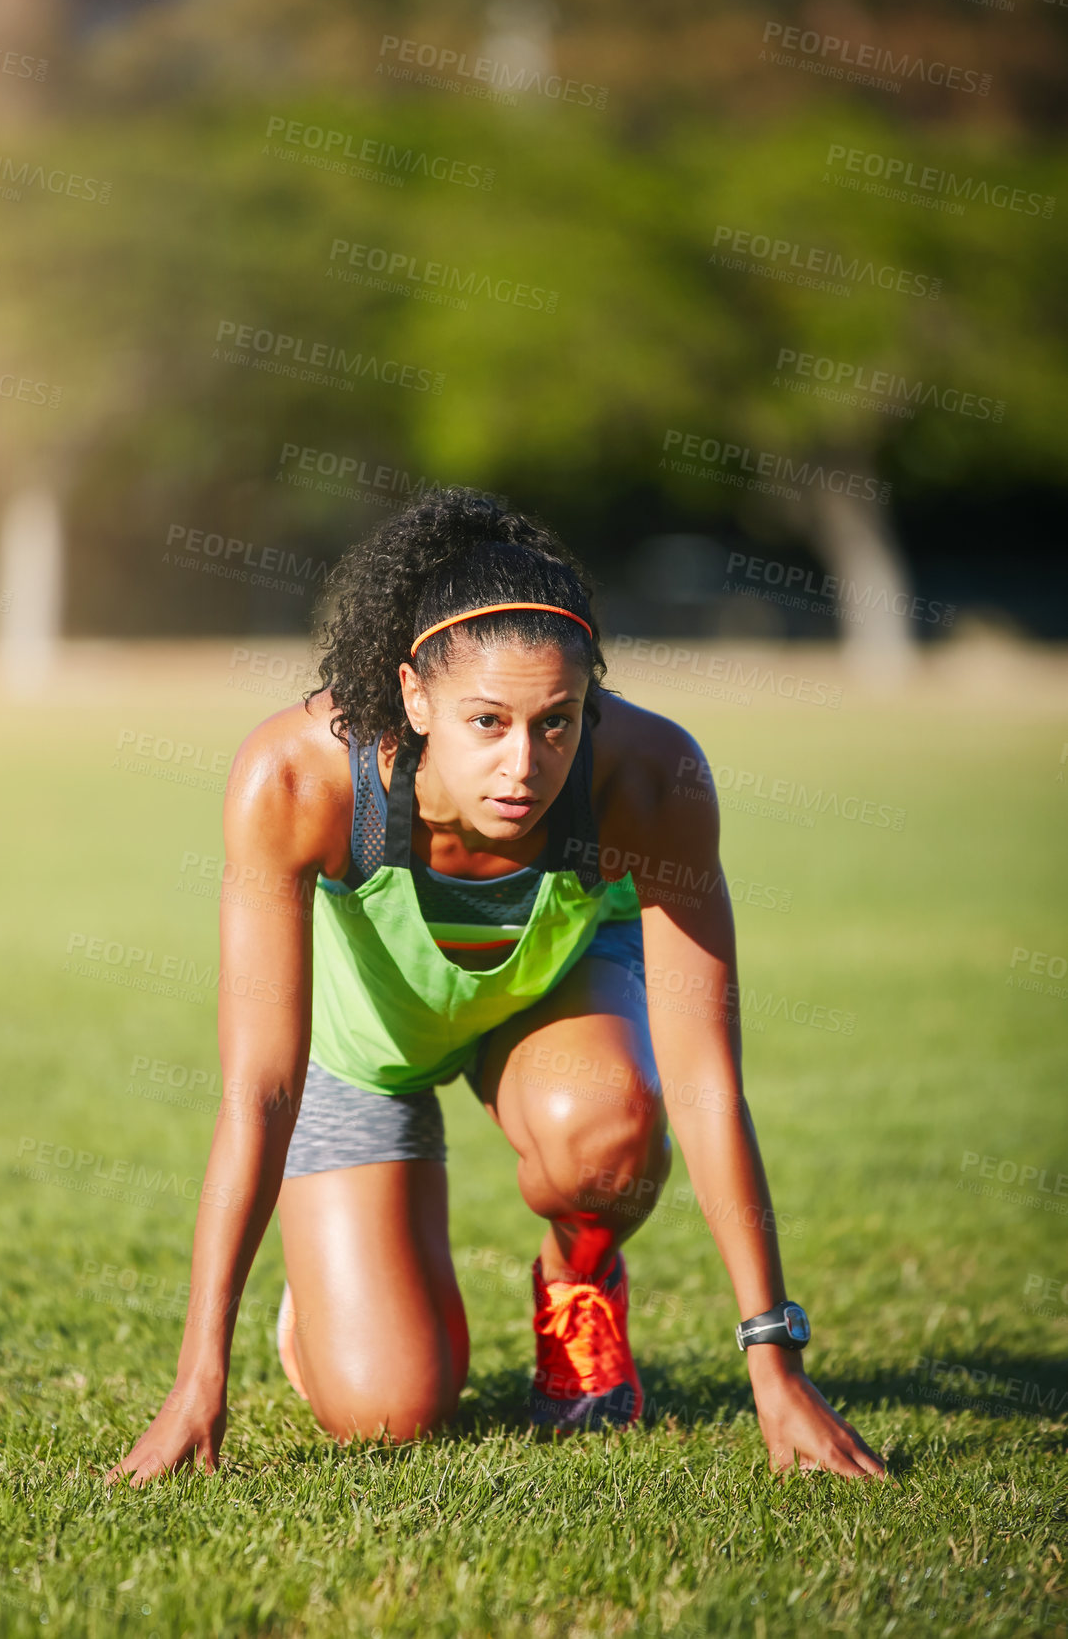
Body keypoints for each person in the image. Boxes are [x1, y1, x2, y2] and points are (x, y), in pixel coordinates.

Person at [106, 490, 886, 1485]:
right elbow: (260, 1087)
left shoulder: (650, 779)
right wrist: (195, 1375)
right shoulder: (297, 776)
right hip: (362, 1054)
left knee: (601, 1134)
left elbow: (701, 1083)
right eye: (487, 721)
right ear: (414, 698)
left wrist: (772, 1365)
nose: (524, 764)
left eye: (557, 722)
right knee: (389, 1410)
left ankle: (579, 1286)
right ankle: (329, 1287)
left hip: (548, 1008)